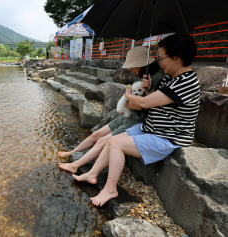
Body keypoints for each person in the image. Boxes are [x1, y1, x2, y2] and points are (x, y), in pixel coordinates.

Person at [72, 34, 199, 207]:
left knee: (116, 144)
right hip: (151, 128)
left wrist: (128, 94)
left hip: (167, 137)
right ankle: (92, 174)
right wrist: (147, 90)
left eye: (161, 58)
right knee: (111, 140)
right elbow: (155, 101)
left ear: (176, 58)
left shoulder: (186, 82)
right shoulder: (171, 77)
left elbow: (146, 103)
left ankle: (110, 189)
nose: (160, 62)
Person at [58, 46, 162, 174]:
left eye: (132, 65)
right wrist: (128, 102)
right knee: (96, 134)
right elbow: (130, 97)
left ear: (141, 64)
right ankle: (73, 152)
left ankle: (76, 165)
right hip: (127, 116)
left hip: (135, 121)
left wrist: (127, 102)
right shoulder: (140, 75)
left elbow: (141, 105)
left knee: (102, 141)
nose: (130, 69)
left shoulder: (153, 80)